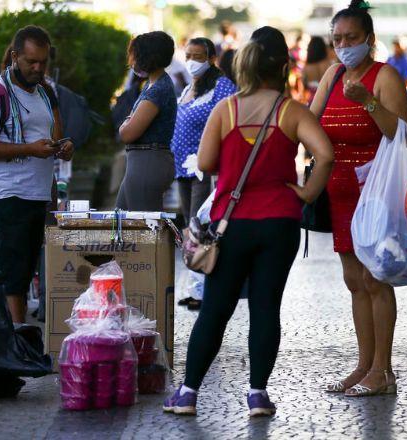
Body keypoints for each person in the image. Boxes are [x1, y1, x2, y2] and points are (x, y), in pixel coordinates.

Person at [163, 26, 334, 417]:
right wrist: (306, 194)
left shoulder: (228, 109)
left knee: (215, 309)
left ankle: (188, 394)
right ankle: (257, 395)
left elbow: (205, 164)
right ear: (284, 66)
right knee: (266, 307)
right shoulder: (292, 111)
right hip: (280, 223)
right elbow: (324, 154)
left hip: (231, 224)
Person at [311, 0, 407, 397]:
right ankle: (363, 365)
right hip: (340, 191)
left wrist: (366, 102)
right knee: (354, 280)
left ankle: (382, 371)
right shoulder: (332, 74)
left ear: (369, 39)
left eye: (351, 38)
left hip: (377, 192)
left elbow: (400, 133)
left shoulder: (385, 76)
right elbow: (309, 121)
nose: (343, 45)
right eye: (337, 38)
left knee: (375, 278)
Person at [0, 25, 73, 326]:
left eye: (43, 61)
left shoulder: (42, 92)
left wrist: (62, 147)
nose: (38, 67)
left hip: (36, 194)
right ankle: (15, 339)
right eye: (31, 61)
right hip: (8, 195)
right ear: (15, 56)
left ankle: (18, 337)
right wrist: (29, 148)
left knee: (26, 271)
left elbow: (50, 136)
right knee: (11, 276)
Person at [171, 38, 235, 232]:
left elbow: (231, 122)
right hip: (182, 167)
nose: (191, 61)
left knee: (199, 224)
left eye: (198, 57)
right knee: (190, 224)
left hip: (204, 168)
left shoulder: (221, 86)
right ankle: (196, 261)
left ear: (212, 58)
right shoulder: (189, 87)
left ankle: (204, 261)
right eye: (188, 56)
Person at [116, 31, 177, 211]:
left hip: (147, 162)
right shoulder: (153, 84)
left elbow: (128, 133)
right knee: (122, 223)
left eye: (134, 56)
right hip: (142, 161)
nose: (132, 61)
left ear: (147, 57)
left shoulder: (158, 89)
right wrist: (128, 121)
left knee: (142, 229)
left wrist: (125, 124)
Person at [303, 36, 333, 104]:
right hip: (328, 101)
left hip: (312, 102)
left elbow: (304, 86)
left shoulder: (306, 68)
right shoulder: (330, 65)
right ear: (323, 48)